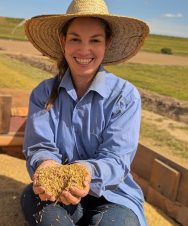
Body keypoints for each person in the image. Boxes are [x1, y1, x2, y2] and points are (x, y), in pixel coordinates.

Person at [20, 0, 149, 225]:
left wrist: (83, 172)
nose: (84, 50)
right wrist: (46, 165)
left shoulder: (124, 96)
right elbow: (40, 147)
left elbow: (116, 159)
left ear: (107, 43)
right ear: (63, 42)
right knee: (47, 215)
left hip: (114, 195)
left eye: (95, 40)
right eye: (75, 39)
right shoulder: (43, 94)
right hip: (57, 194)